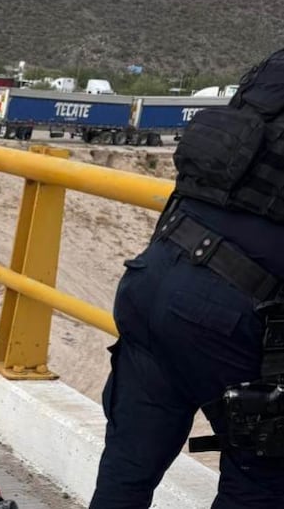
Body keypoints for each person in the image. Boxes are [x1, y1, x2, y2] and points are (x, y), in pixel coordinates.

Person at [89, 49, 284, 508]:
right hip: (229, 312)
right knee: (263, 479)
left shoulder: (271, 73)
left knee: (128, 470)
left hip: (155, 274)